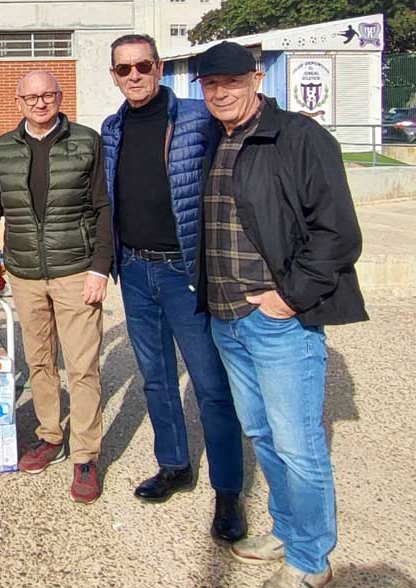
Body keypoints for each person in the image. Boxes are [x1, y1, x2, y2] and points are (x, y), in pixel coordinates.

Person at [194, 41, 368, 588]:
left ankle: (312, 558)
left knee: (298, 442)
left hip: (276, 321)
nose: (220, 93)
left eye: (231, 82)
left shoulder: (298, 137)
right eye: (210, 84)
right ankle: (289, 531)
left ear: (255, 78)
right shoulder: (219, 141)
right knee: (263, 432)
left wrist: (289, 298)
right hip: (227, 319)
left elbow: (338, 232)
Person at [99, 34, 245, 541]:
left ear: (158, 67)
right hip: (136, 272)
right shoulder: (111, 129)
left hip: (185, 271)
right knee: (157, 378)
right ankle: (174, 465)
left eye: (142, 65)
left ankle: (228, 491)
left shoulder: (195, 117)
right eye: (124, 69)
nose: (134, 75)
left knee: (210, 384)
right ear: (113, 75)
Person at [0, 69, 112, 504]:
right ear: (18, 102)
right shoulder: (3, 147)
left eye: (47, 95)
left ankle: (85, 456)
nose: (39, 103)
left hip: (75, 270)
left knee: (83, 367)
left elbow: (104, 207)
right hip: (25, 274)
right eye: (30, 97)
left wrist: (100, 268)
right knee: (39, 363)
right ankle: (50, 435)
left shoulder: (86, 141)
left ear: (59, 97)